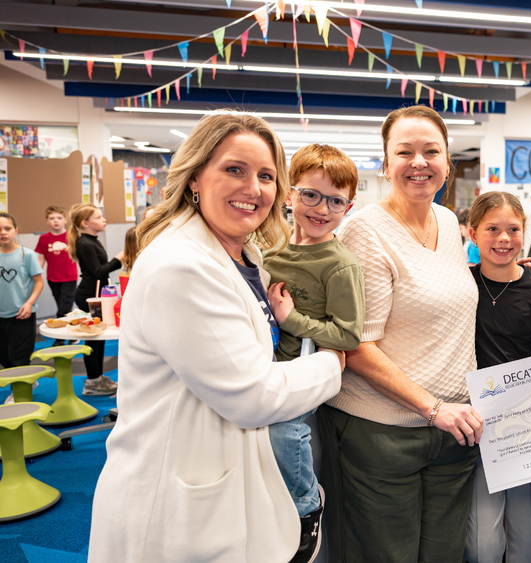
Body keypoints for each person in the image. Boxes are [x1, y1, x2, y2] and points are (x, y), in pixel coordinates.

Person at [89, 111, 345, 563]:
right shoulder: (181, 266)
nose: (254, 188)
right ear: (194, 179)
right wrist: (331, 362)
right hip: (174, 503)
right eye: (234, 169)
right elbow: (253, 394)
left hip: (225, 475)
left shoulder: (245, 257)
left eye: (267, 175)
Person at [317, 104, 482, 563]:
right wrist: (434, 409)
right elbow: (355, 347)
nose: (419, 162)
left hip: (454, 431)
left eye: (431, 151)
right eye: (404, 152)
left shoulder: (448, 223)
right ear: (386, 163)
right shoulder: (365, 232)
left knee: (443, 555)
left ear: (447, 162)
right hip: (382, 433)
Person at [263, 143, 365, 563]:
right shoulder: (269, 252)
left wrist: (291, 319)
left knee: (283, 432)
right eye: (310, 195)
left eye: (335, 200)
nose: (321, 208)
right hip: (265, 366)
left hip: (307, 370)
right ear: (290, 194)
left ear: (349, 206)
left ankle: (307, 507)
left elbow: (348, 335)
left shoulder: (340, 264)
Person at [464, 191, 531, 563]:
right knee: (483, 545)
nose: (503, 238)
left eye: (513, 229)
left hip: (526, 428)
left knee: (526, 537)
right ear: (473, 234)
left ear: (525, 234)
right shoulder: (462, 285)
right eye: (492, 229)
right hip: (478, 429)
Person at [67, 203, 123, 396]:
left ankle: (97, 378)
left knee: (99, 339)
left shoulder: (92, 240)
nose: (104, 220)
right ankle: (92, 382)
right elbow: (98, 271)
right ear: (85, 223)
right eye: (99, 217)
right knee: (94, 339)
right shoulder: (85, 243)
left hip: (97, 295)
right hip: (88, 296)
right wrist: (118, 259)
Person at [0, 212, 44, 369]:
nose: (3, 232)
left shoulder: (27, 255)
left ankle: (20, 392)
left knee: (19, 356)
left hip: (21, 313)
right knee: (4, 357)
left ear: (16, 231)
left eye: (7, 228)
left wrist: (30, 303)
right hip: (1, 315)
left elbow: (38, 282)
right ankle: (24, 384)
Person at [35, 206, 78, 345]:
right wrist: (35, 274)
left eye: (59, 218)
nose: (56, 221)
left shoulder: (71, 236)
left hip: (70, 277)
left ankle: (60, 339)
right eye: (52, 218)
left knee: (64, 308)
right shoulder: (44, 238)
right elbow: (41, 258)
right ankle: (72, 332)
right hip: (53, 278)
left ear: (65, 220)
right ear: (47, 221)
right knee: (62, 306)